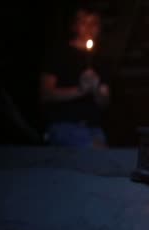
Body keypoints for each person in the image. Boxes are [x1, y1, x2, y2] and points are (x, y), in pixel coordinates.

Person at [39, 7, 110, 148]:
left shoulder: (101, 60)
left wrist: (95, 88)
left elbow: (105, 102)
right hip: (63, 126)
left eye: (94, 23)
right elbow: (45, 94)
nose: (89, 28)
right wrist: (80, 90)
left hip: (93, 128)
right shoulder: (59, 54)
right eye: (84, 22)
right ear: (74, 26)